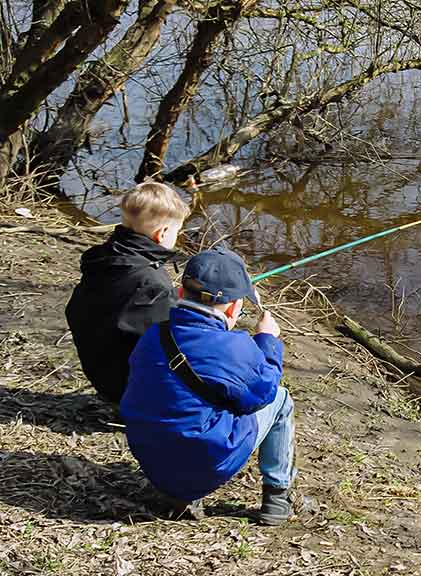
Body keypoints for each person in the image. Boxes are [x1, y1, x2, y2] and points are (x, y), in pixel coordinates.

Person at [120, 246, 295, 526]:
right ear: (234, 307)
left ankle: (179, 490)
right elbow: (263, 395)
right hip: (205, 465)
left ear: (179, 293)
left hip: (151, 459)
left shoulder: (154, 334)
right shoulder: (236, 347)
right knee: (282, 401)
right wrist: (268, 342)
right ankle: (277, 498)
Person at [65, 181, 190, 403]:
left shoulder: (103, 259)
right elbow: (172, 344)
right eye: (176, 232)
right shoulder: (150, 281)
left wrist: (171, 299)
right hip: (129, 390)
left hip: (100, 372)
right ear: (162, 234)